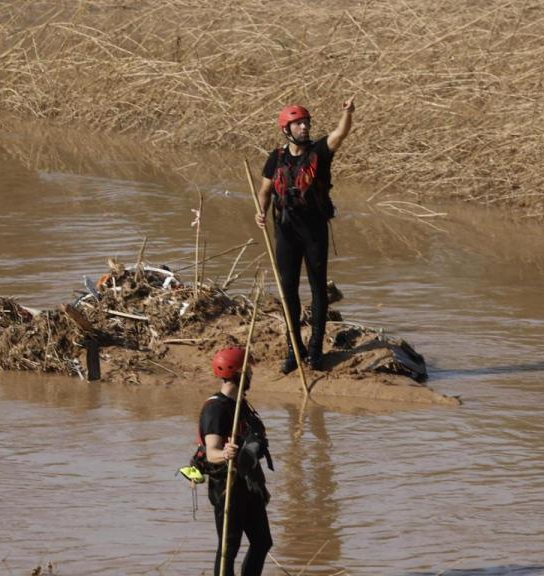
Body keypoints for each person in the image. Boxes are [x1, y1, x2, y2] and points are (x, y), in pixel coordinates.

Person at [255, 97, 355, 373]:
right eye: (298, 124)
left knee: (317, 289)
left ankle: (315, 352)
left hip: (314, 232)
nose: (304, 127)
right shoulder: (275, 158)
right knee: (288, 293)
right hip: (286, 233)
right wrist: (261, 212)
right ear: (286, 129)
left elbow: (340, 134)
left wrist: (347, 113)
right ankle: (294, 349)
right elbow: (264, 192)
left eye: (306, 123)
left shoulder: (319, 153)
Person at [198, 346, 273, 576]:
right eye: (248, 370)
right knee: (228, 550)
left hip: (248, 483)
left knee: (262, 542)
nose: (251, 375)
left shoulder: (241, 404)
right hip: (228, 486)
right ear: (239, 373)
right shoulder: (216, 410)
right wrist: (225, 454)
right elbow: (211, 451)